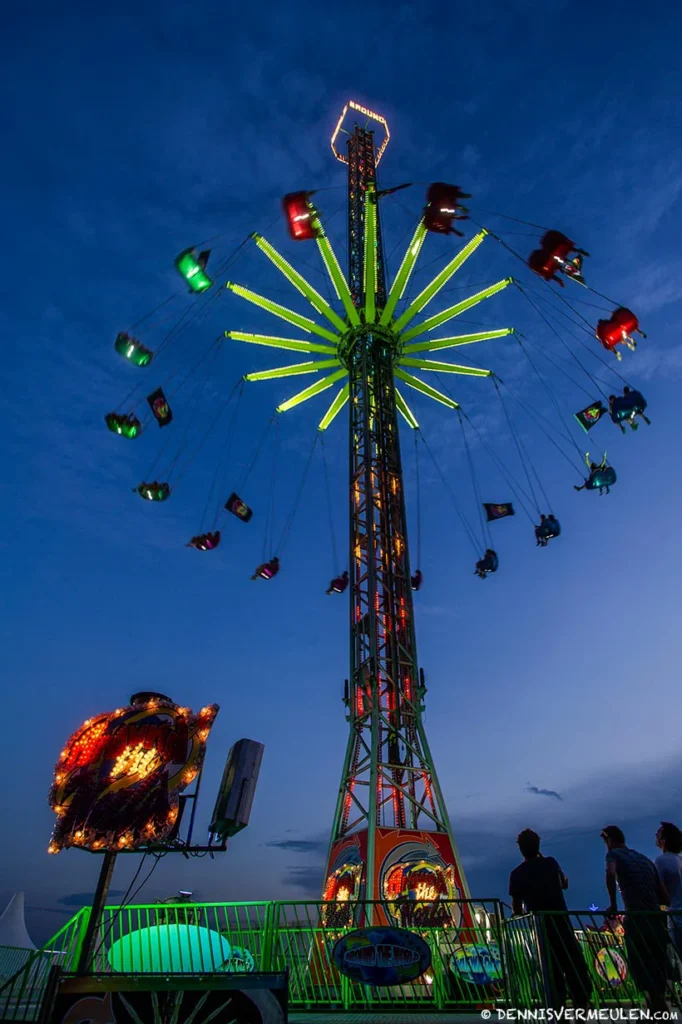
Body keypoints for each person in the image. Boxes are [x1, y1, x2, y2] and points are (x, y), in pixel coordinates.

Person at [509, 829, 591, 1009]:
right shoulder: (551, 863)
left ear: (521, 849)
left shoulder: (516, 874)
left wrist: (520, 913)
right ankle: (581, 1006)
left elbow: (516, 906)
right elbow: (565, 883)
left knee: (551, 973)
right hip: (562, 925)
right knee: (574, 967)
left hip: (541, 930)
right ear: (538, 846)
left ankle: (557, 1009)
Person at [601, 825, 670, 1012]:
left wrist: (613, 904)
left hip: (638, 920)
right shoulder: (645, 860)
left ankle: (659, 1015)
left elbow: (610, 873)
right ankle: (654, 1013)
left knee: (643, 975)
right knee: (657, 977)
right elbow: (664, 897)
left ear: (608, 841)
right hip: (657, 920)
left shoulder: (613, 855)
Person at [655, 821, 682, 961]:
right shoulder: (680, 859)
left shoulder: (661, 861)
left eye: (657, 834)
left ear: (663, 841)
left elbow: (659, 892)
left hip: (677, 920)